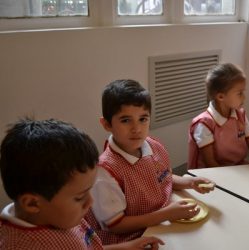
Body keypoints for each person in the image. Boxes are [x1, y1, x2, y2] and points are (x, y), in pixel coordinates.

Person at [0, 118, 164, 249]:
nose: (90, 202)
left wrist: (126, 247)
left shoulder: (56, 216)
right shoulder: (24, 244)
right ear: (32, 203)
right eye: (79, 197)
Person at [85, 79, 215, 245]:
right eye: (125, 120)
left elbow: (160, 178)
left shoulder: (152, 145)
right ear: (107, 124)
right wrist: (166, 214)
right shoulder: (105, 172)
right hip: (130, 238)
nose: (136, 128)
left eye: (143, 119)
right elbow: (115, 225)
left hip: (161, 219)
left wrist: (188, 182)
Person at [188, 63, 249, 169]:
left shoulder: (240, 114)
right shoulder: (204, 124)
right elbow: (210, 163)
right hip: (210, 174)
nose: (244, 97)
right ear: (221, 97)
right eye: (239, 93)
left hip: (235, 167)